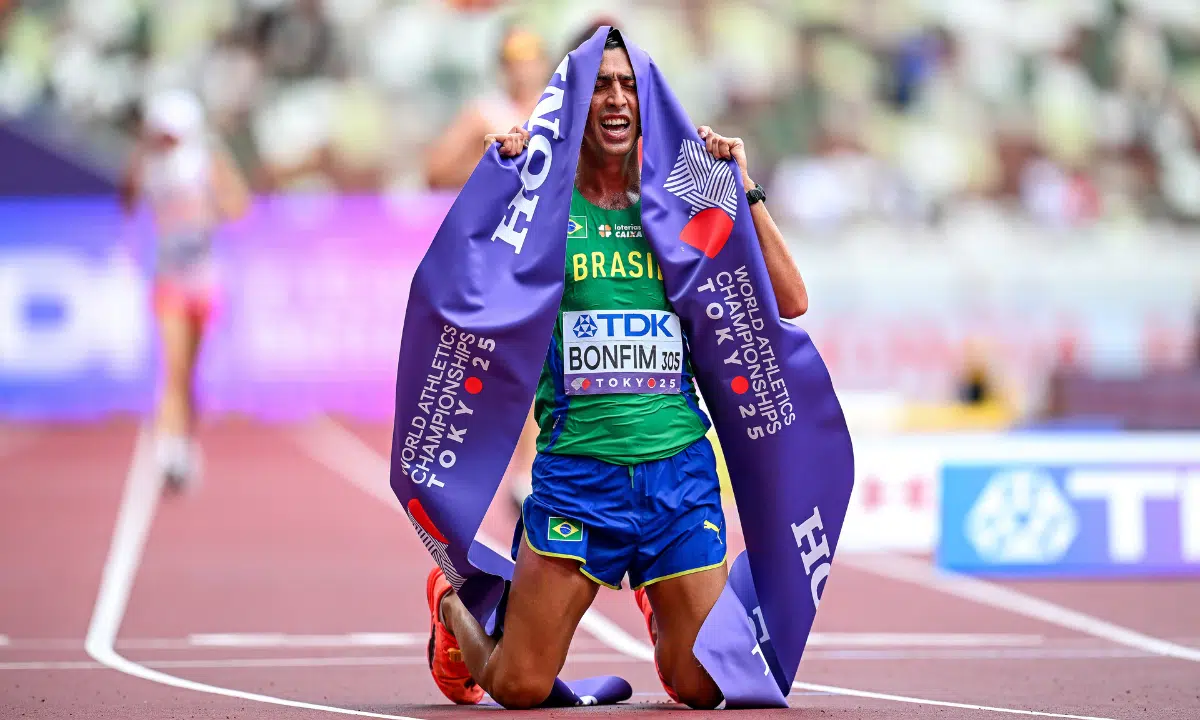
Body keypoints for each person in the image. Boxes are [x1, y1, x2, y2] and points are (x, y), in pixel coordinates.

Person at [425, 29, 808, 710]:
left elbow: (788, 299)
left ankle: (664, 612)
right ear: (572, 97)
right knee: (519, 686)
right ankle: (456, 611)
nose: (616, 98)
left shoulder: (681, 199)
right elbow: (460, 286)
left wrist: (741, 189)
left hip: (678, 477)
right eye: (600, 83)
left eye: (629, 85)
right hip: (579, 476)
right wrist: (494, 179)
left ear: (649, 100)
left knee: (703, 688)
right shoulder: (538, 201)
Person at [119, 88, 250, 491]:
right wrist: (140, 154)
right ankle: (170, 451)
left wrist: (209, 208)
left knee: (190, 373)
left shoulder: (204, 162)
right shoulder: (152, 166)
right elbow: (125, 199)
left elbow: (238, 205)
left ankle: (184, 441)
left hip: (204, 279)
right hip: (170, 279)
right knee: (173, 367)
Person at [423, 24, 552, 190]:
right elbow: (435, 174)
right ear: (503, 65)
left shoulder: (560, 111)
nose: (523, 69)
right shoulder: (485, 113)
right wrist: (491, 166)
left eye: (530, 59)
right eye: (514, 60)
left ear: (545, 63)